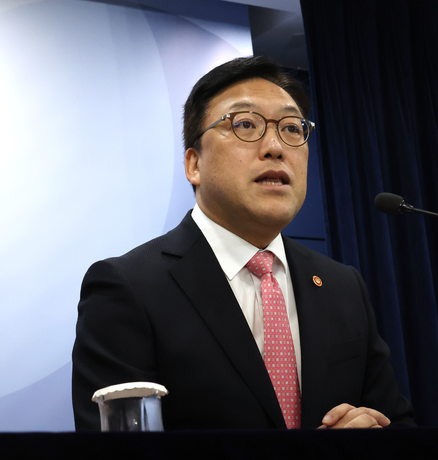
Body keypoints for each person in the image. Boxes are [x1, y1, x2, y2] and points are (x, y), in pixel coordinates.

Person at [71, 56, 414, 430]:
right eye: (245, 124)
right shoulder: (128, 288)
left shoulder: (342, 286)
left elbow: (399, 424)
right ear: (194, 165)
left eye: (292, 128)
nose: (275, 147)